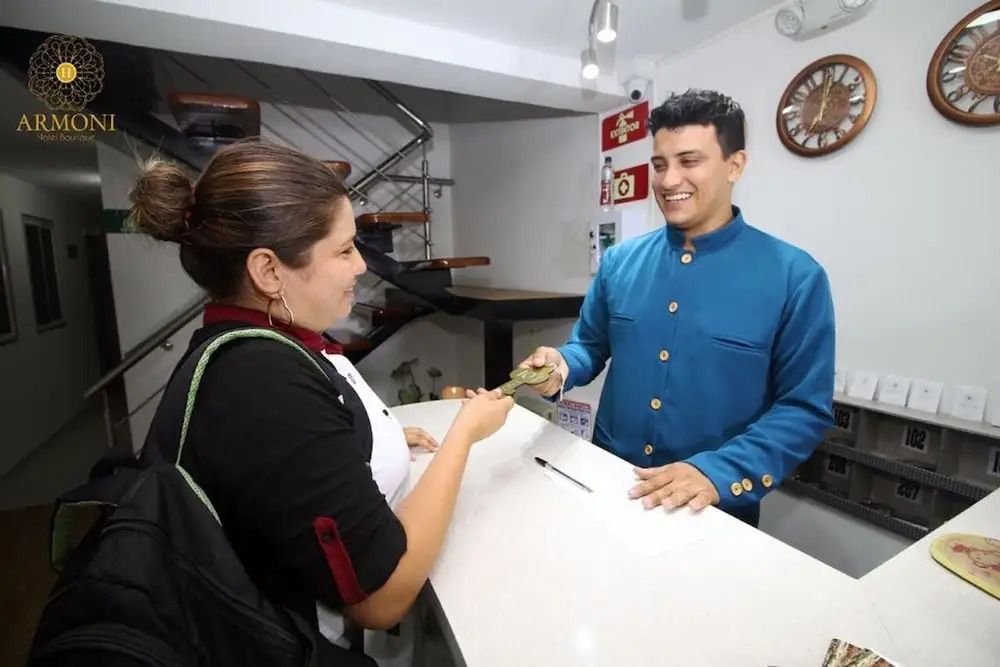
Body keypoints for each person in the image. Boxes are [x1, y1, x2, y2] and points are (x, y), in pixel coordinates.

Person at [127, 138, 515, 661]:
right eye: (344, 249)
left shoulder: (255, 349)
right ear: (269, 271)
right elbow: (381, 598)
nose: (362, 266)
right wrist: (464, 434)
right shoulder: (262, 381)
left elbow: (283, 465)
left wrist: (356, 442)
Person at [521, 89, 835, 527]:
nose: (669, 181)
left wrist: (718, 471)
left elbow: (802, 407)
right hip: (612, 484)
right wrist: (560, 366)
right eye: (659, 165)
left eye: (689, 162)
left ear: (735, 165)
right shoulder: (620, 262)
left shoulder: (795, 277)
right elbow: (589, 346)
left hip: (711, 508)